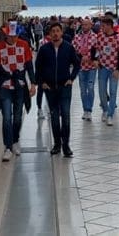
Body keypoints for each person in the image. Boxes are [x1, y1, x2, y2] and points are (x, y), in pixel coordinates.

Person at [0, 26, 36, 162]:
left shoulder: (24, 45)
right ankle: (8, 147)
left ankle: (15, 140)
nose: (13, 38)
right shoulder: (0, 47)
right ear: (6, 36)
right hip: (5, 86)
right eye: (11, 36)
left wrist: (33, 83)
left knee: (17, 117)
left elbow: (29, 66)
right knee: (6, 117)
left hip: (20, 86)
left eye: (16, 35)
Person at [36, 21, 81, 157]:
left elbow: (77, 64)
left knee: (66, 116)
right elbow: (38, 67)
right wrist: (42, 82)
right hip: (50, 88)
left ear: (61, 32)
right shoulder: (44, 49)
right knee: (54, 117)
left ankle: (66, 145)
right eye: (53, 31)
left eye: (57, 31)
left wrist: (71, 78)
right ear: (49, 34)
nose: (55, 33)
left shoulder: (68, 47)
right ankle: (57, 144)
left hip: (64, 87)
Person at [94, 16, 119, 126]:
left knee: (113, 92)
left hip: (114, 68)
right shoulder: (100, 37)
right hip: (103, 67)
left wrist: (118, 69)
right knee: (102, 91)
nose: (101, 28)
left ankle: (110, 115)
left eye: (103, 26)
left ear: (109, 26)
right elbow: (95, 49)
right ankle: (105, 109)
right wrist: (95, 60)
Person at [72, 17, 100, 121]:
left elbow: (98, 50)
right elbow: (73, 50)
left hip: (91, 66)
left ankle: (89, 109)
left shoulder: (95, 37)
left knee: (90, 88)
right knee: (83, 90)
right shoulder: (77, 37)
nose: (84, 26)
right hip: (81, 67)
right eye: (83, 24)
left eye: (86, 24)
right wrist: (80, 57)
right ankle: (85, 110)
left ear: (91, 25)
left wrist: (93, 59)